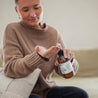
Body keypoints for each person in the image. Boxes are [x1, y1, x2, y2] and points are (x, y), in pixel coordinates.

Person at [2, 0, 89, 98]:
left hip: (46, 90)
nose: (32, 14)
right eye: (25, 10)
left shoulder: (54, 33)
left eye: (36, 8)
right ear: (17, 11)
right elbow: (10, 69)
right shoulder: (12, 29)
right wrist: (39, 57)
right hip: (20, 90)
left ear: (42, 6)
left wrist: (69, 61)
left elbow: (64, 73)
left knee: (80, 94)